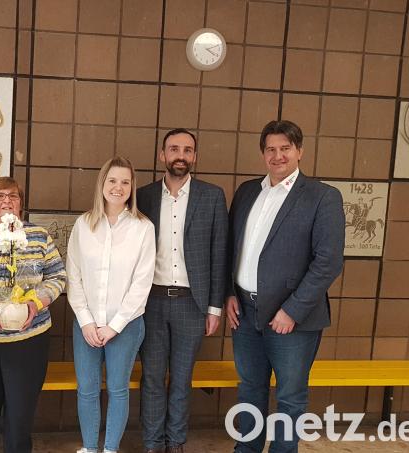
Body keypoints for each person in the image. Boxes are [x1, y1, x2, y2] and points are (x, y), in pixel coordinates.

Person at [226, 120, 344, 453]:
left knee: (290, 397)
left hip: (292, 319)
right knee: (250, 389)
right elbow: (231, 248)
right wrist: (229, 294)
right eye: (271, 149)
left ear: (299, 151)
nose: (278, 156)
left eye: (285, 148)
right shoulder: (248, 191)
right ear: (263, 153)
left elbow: (328, 262)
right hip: (245, 313)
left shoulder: (323, 197)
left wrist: (291, 310)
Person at [137, 128, 229, 453]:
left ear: (194, 157)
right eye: (174, 149)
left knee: (181, 379)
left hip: (193, 302)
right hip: (151, 302)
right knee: (151, 378)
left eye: (187, 150)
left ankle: (175, 443)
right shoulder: (143, 195)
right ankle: (151, 444)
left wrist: (214, 307)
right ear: (162, 155)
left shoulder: (212, 195)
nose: (181, 155)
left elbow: (220, 252)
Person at [0, 176, 67, 453]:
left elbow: (57, 276)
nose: (6, 201)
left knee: (20, 419)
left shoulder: (39, 236)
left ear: (21, 203)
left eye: (13, 196)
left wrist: (35, 304)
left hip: (28, 340)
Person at [66, 156, 155, 453]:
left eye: (125, 182)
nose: (118, 187)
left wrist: (114, 326)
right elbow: (73, 275)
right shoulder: (83, 224)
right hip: (86, 325)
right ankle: (90, 448)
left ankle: (110, 449)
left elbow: (142, 283)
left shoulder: (143, 228)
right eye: (112, 180)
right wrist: (87, 321)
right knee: (87, 390)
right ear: (102, 184)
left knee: (118, 389)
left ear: (132, 187)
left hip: (125, 325)